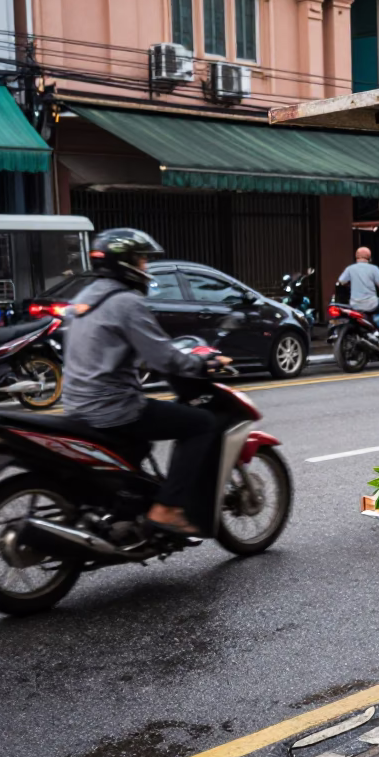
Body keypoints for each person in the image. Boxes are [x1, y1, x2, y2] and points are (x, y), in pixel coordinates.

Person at [62, 228, 231, 536]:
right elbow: (162, 358)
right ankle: (165, 509)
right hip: (113, 409)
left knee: (143, 439)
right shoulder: (126, 302)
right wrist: (201, 364)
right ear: (125, 263)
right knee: (201, 423)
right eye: (141, 261)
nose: (145, 268)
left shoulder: (82, 299)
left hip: (76, 405)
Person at [339, 247, 379, 341]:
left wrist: (350, 285)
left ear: (356, 257)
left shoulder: (350, 269)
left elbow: (341, 282)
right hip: (371, 304)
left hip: (354, 305)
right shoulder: (373, 269)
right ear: (369, 257)